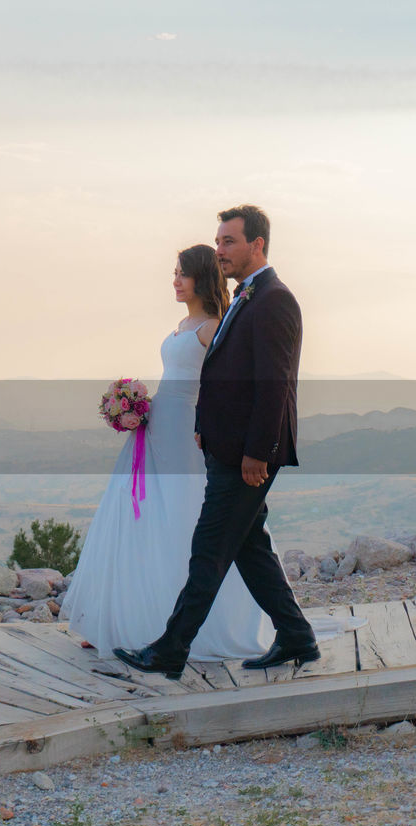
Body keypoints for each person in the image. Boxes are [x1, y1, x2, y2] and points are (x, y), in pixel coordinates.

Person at [115, 205, 321, 679]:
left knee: (208, 550)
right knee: (250, 548)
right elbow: (224, 374)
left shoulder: (274, 300)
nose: (220, 250)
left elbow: (273, 385)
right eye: (219, 241)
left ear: (258, 245)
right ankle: (297, 636)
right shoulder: (247, 297)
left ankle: (169, 650)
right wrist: (206, 425)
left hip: (246, 457)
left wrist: (257, 453)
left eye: (229, 241)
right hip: (224, 448)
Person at [61, 244, 277, 661]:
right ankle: (119, 620)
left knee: (185, 515)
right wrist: (133, 407)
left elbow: (228, 386)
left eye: (182, 274)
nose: (175, 281)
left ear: (201, 276)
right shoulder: (184, 322)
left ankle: (188, 627)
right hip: (159, 424)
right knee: (139, 518)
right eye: (174, 273)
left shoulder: (215, 326)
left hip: (189, 433)